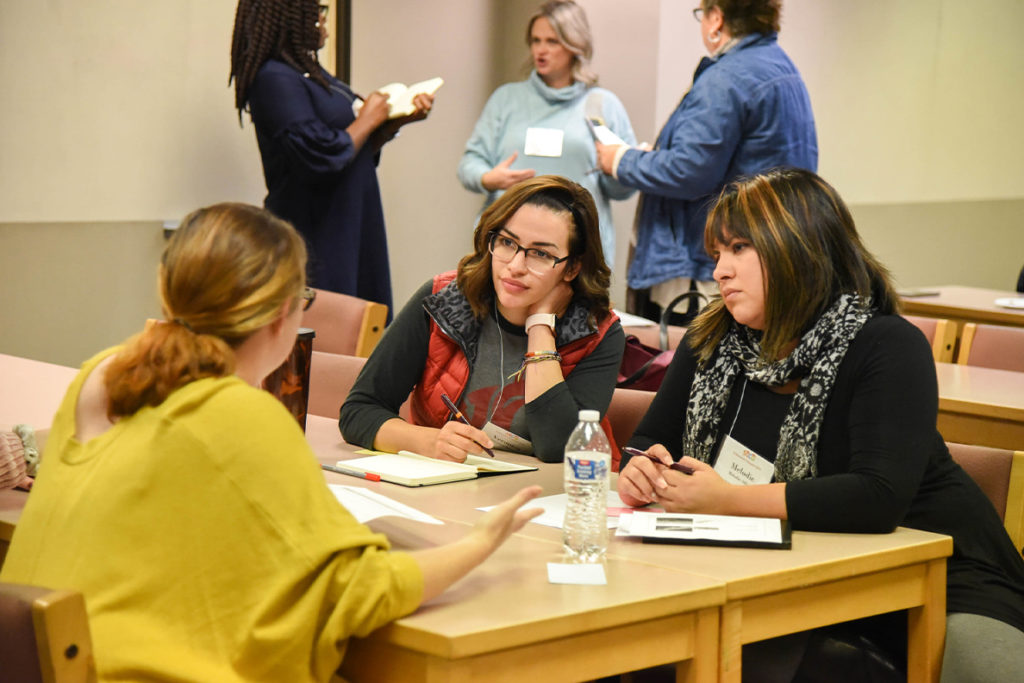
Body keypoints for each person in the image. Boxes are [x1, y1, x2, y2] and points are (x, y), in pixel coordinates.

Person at [0, 203, 543, 682]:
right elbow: (362, 590)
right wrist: (482, 541)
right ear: (285, 315)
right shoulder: (239, 416)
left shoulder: (101, 374)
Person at [618, 168, 1024, 682]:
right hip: (784, 570)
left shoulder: (885, 344)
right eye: (717, 253)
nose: (720, 270)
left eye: (740, 249)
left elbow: (876, 497)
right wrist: (643, 472)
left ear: (798, 251)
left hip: (940, 575)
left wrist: (726, 500)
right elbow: (646, 443)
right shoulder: (712, 339)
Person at [340, 175, 625, 465]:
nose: (515, 266)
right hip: (447, 489)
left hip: (553, 498)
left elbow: (558, 448)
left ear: (572, 268)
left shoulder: (596, 332)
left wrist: (540, 325)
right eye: (506, 242)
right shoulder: (444, 300)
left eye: (540, 253)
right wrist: (427, 441)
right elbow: (359, 411)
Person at [595, 0, 816, 323]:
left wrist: (622, 161)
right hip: (769, 257)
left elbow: (689, 171)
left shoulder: (726, 78)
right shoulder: (784, 70)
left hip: (710, 267)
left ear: (716, 19)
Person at [230, 0, 434, 313]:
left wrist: (394, 121)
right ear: (293, 19)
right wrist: (368, 117)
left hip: (350, 219)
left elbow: (347, 153)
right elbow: (320, 157)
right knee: (331, 335)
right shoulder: (274, 79)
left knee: (365, 327)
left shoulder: (309, 73)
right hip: (319, 231)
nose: (323, 21)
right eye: (316, 13)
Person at [457, 0, 636, 266]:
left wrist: (618, 166)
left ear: (575, 45)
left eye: (552, 41)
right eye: (535, 40)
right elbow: (468, 165)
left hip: (573, 254)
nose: (540, 50)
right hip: (507, 250)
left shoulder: (602, 105)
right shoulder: (506, 99)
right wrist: (489, 178)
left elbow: (622, 190)